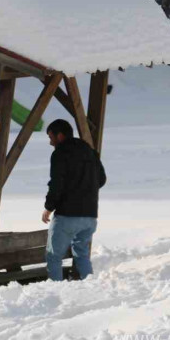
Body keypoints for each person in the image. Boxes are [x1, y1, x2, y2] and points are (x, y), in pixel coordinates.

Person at [42, 119, 106, 281]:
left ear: (61, 136)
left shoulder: (60, 153)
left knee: (54, 256)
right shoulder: (90, 151)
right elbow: (102, 179)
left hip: (67, 215)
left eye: (51, 137)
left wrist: (49, 207)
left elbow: (56, 183)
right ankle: (89, 285)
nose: (50, 143)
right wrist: (85, 191)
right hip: (90, 216)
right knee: (82, 255)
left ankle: (54, 293)